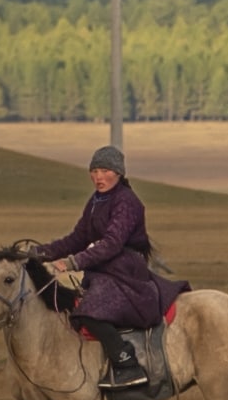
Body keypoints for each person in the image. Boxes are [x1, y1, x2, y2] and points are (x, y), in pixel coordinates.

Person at [26, 143, 184, 384]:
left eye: (105, 171)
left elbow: (112, 243)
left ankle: (127, 364)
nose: (98, 176)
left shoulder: (126, 201)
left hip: (125, 270)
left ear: (118, 173)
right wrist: (40, 252)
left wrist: (72, 262)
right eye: (94, 171)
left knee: (92, 311)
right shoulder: (97, 201)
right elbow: (77, 238)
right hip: (105, 269)